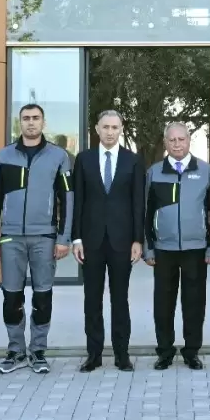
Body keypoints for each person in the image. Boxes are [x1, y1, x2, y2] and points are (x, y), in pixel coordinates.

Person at [0, 103, 72, 375]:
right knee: (11, 296)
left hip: (44, 237)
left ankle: (38, 351)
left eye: (36, 118)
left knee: (42, 296)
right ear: (20, 123)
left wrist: (64, 238)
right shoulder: (4, 156)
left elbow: (67, 199)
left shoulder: (58, 156)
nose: (31, 122)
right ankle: (15, 350)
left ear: (43, 123)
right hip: (11, 238)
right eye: (26, 118)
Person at [144, 122, 210, 370]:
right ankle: (165, 352)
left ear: (189, 140)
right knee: (163, 305)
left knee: (194, 304)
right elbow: (145, 212)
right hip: (163, 250)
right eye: (172, 140)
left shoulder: (206, 171)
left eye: (181, 139)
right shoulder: (154, 172)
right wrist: (148, 247)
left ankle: (191, 352)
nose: (177, 144)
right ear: (165, 143)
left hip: (195, 250)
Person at [72, 110, 144, 372]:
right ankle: (94, 354)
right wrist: (76, 238)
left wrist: (138, 240)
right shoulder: (84, 159)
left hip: (122, 241)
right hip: (90, 241)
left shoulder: (133, 160)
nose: (110, 132)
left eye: (115, 127)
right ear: (97, 129)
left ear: (121, 129)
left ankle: (122, 354)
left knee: (120, 299)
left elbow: (138, 203)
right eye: (106, 127)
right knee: (91, 299)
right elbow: (78, 201)